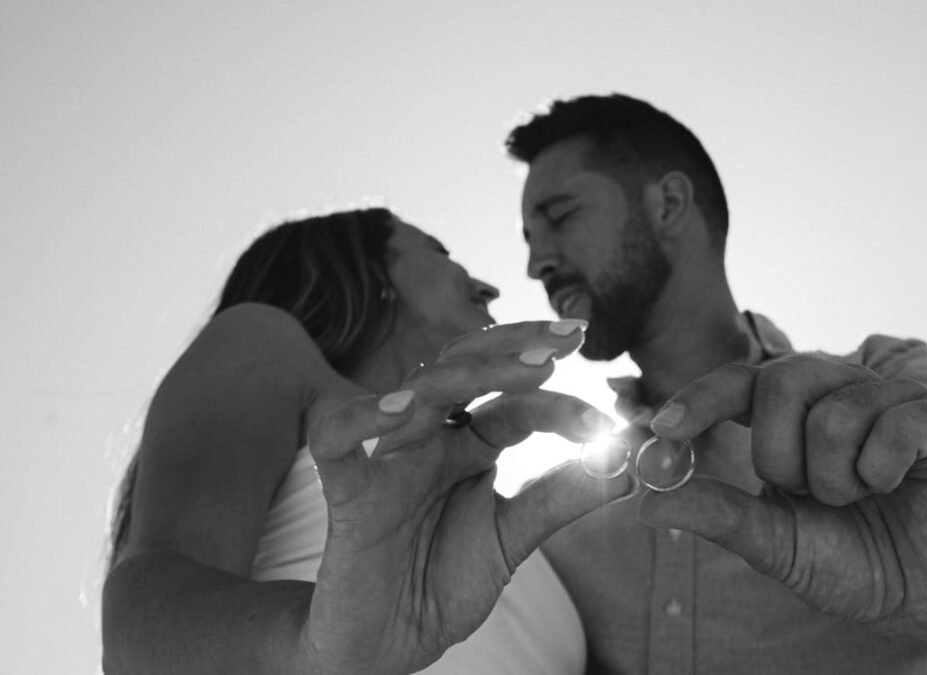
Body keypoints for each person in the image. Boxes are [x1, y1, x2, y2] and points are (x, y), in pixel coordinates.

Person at [506, 93, 927, 674]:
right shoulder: (558, 513)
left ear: (667, 204)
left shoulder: (891, 378)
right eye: (525, 236)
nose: (535, 263)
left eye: (560, 215)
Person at [101, 207, 633, 674]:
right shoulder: (265, 346)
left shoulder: (501, 527)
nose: (489, 287)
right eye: (438, 250)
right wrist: (311, 649)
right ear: (364, 270)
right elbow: (137, 619)